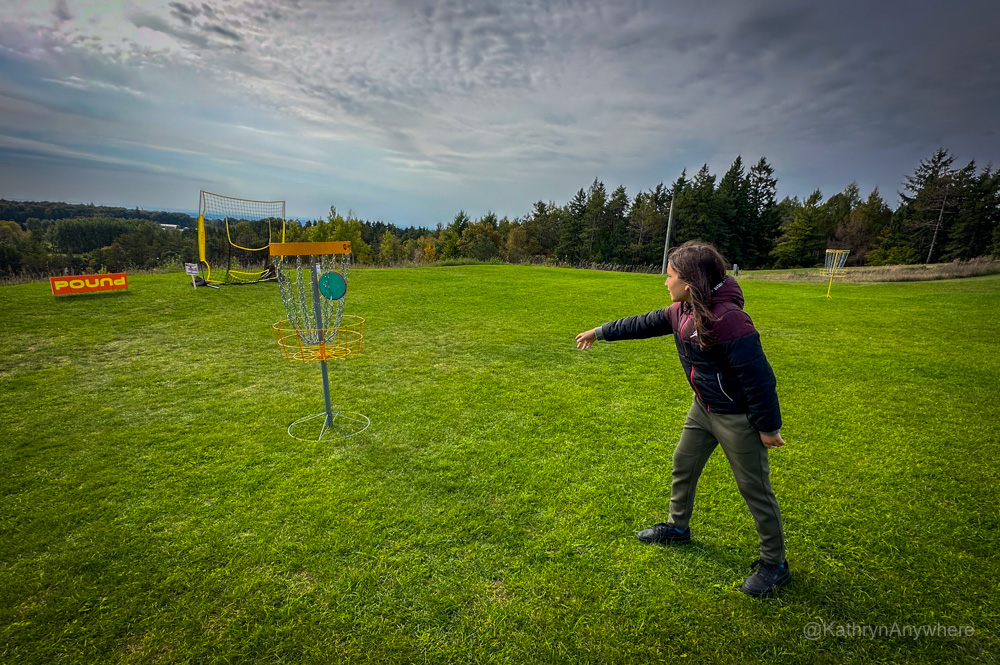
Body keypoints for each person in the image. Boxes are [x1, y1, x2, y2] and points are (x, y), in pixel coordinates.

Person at [575, 241, 790, 598]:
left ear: (689, 282)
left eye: (670, 275)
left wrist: (768, 427)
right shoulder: (684, 309)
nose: (665, 282)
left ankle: (775, 564)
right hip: (702, 408)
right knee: (683, 464)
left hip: (736, 418)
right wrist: (600, 332)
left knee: (755, 489)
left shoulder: (729, 320)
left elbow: (759, 377)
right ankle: (678, 529)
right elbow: (642, 323)